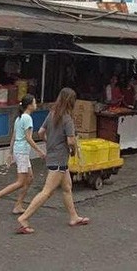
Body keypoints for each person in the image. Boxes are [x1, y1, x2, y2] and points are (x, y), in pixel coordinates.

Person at [16, 88, 90, 234]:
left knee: (67, 187)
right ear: (71, 101)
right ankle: (23, 218)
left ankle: (73, 216)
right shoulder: (67, 118)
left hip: (53, 156)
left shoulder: (52, 114)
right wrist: (74, 150)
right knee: (47, 191)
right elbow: (70, 141)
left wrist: (50, 142)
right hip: (60, 158)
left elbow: (41, 132)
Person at [0, 94, 45, 215]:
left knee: (30, 178)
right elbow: (28, 138)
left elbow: (13, 136)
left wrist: (10, 152)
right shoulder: (27, 118)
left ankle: (18, 205)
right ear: (29, 105)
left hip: (19, 150)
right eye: (34, 103)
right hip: (22, 151)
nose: (36, 105)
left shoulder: (19, 118)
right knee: (20, 181)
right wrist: (39, 150)